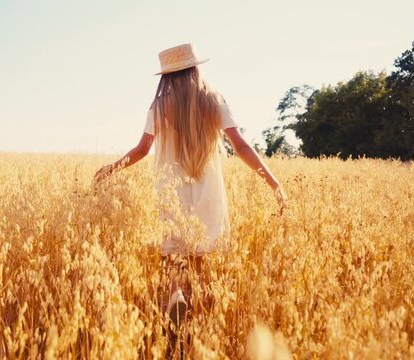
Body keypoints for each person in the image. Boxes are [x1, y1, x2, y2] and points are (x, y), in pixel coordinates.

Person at [94, 43, 286, 331]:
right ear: (196, 68)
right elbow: (242, 146)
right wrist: (274, 183)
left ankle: (176, 295)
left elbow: (142, 149)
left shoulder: (160, 105)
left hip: (172, 190)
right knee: (201, 258)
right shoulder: (213, 99)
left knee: (174, 257)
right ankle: (199, 326)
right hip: (208, 190)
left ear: (167, 76)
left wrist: (110, 169)